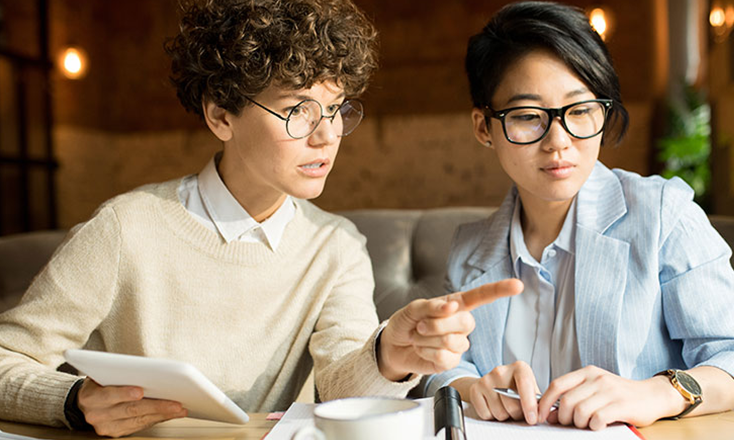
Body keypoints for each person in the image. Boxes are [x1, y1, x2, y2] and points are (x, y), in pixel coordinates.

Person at [0, 0, 521, 437]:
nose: (327, 136)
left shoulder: (335, 246)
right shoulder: (125, 229)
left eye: (337, 108)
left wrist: (388, 354)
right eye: (298, 110)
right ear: (220, 115)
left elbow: (342, 379)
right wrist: (73, 401)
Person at [424, 0, 734, 431]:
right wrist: (470, 386)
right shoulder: (470, 248)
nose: (558, 142)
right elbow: (442, 367)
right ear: (484, 127)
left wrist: (655, 392)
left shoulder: (663, 215)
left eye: (580, 111)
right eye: (529, 117)